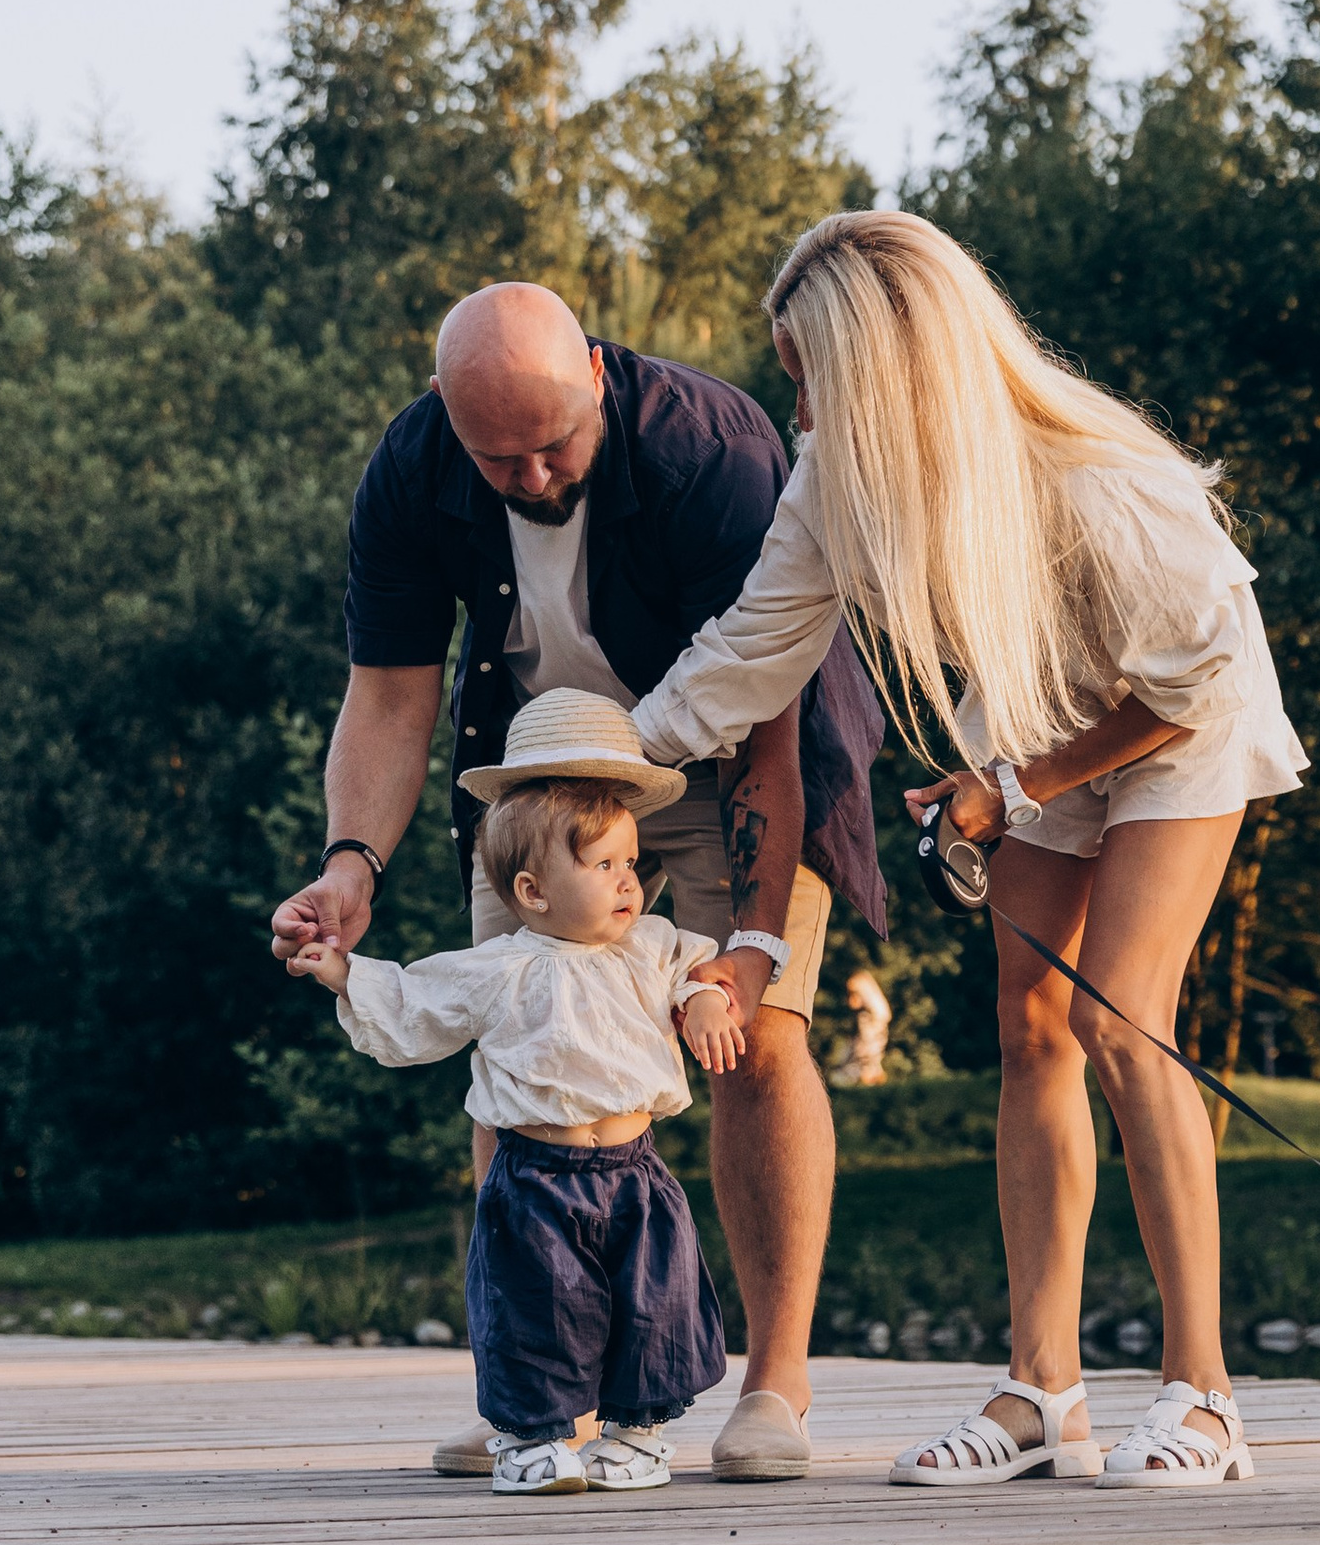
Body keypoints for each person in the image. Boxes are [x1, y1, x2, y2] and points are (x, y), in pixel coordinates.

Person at [631, 209, 1308, 1489]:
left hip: (1178, 719)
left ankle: (1204, 1396)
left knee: (1123, 1021)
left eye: (810, 375)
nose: (800, 408)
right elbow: (751, 647)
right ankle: (1040, 1392)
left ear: (883, 362)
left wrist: (1014, 786)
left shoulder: (1101, 482)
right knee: (1028, 1025)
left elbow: (1188, 679)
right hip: (1037, 723)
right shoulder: (837, 480)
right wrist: (609, 765)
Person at [267, 283, 886, 1480]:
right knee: (516, 1053)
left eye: (553, 445)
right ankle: (542, 1399)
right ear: (449, 421)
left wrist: (752, 947)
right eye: (499, 458)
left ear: (598, 376)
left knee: (760, 1040)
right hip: (539, 783)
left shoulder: (712, 453)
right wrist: (353, 866)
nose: (534, 478)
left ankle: (775, 1388)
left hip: (732, 752)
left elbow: (769, 714)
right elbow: (390, 691)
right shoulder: (412, 469)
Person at [287, 710, 741, 1495]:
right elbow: (415, 1000)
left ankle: (635, 1434)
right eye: (604, 866)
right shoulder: (501, 966)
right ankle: (533, 1436)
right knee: (537, 1305)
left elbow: (699, 967)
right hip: (537, 1176)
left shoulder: (652, 945)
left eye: (632, 861)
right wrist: (341, 972)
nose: (630, 881)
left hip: (636, 1171)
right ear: (531, 891)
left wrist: (703, 997)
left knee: (652, 1303)